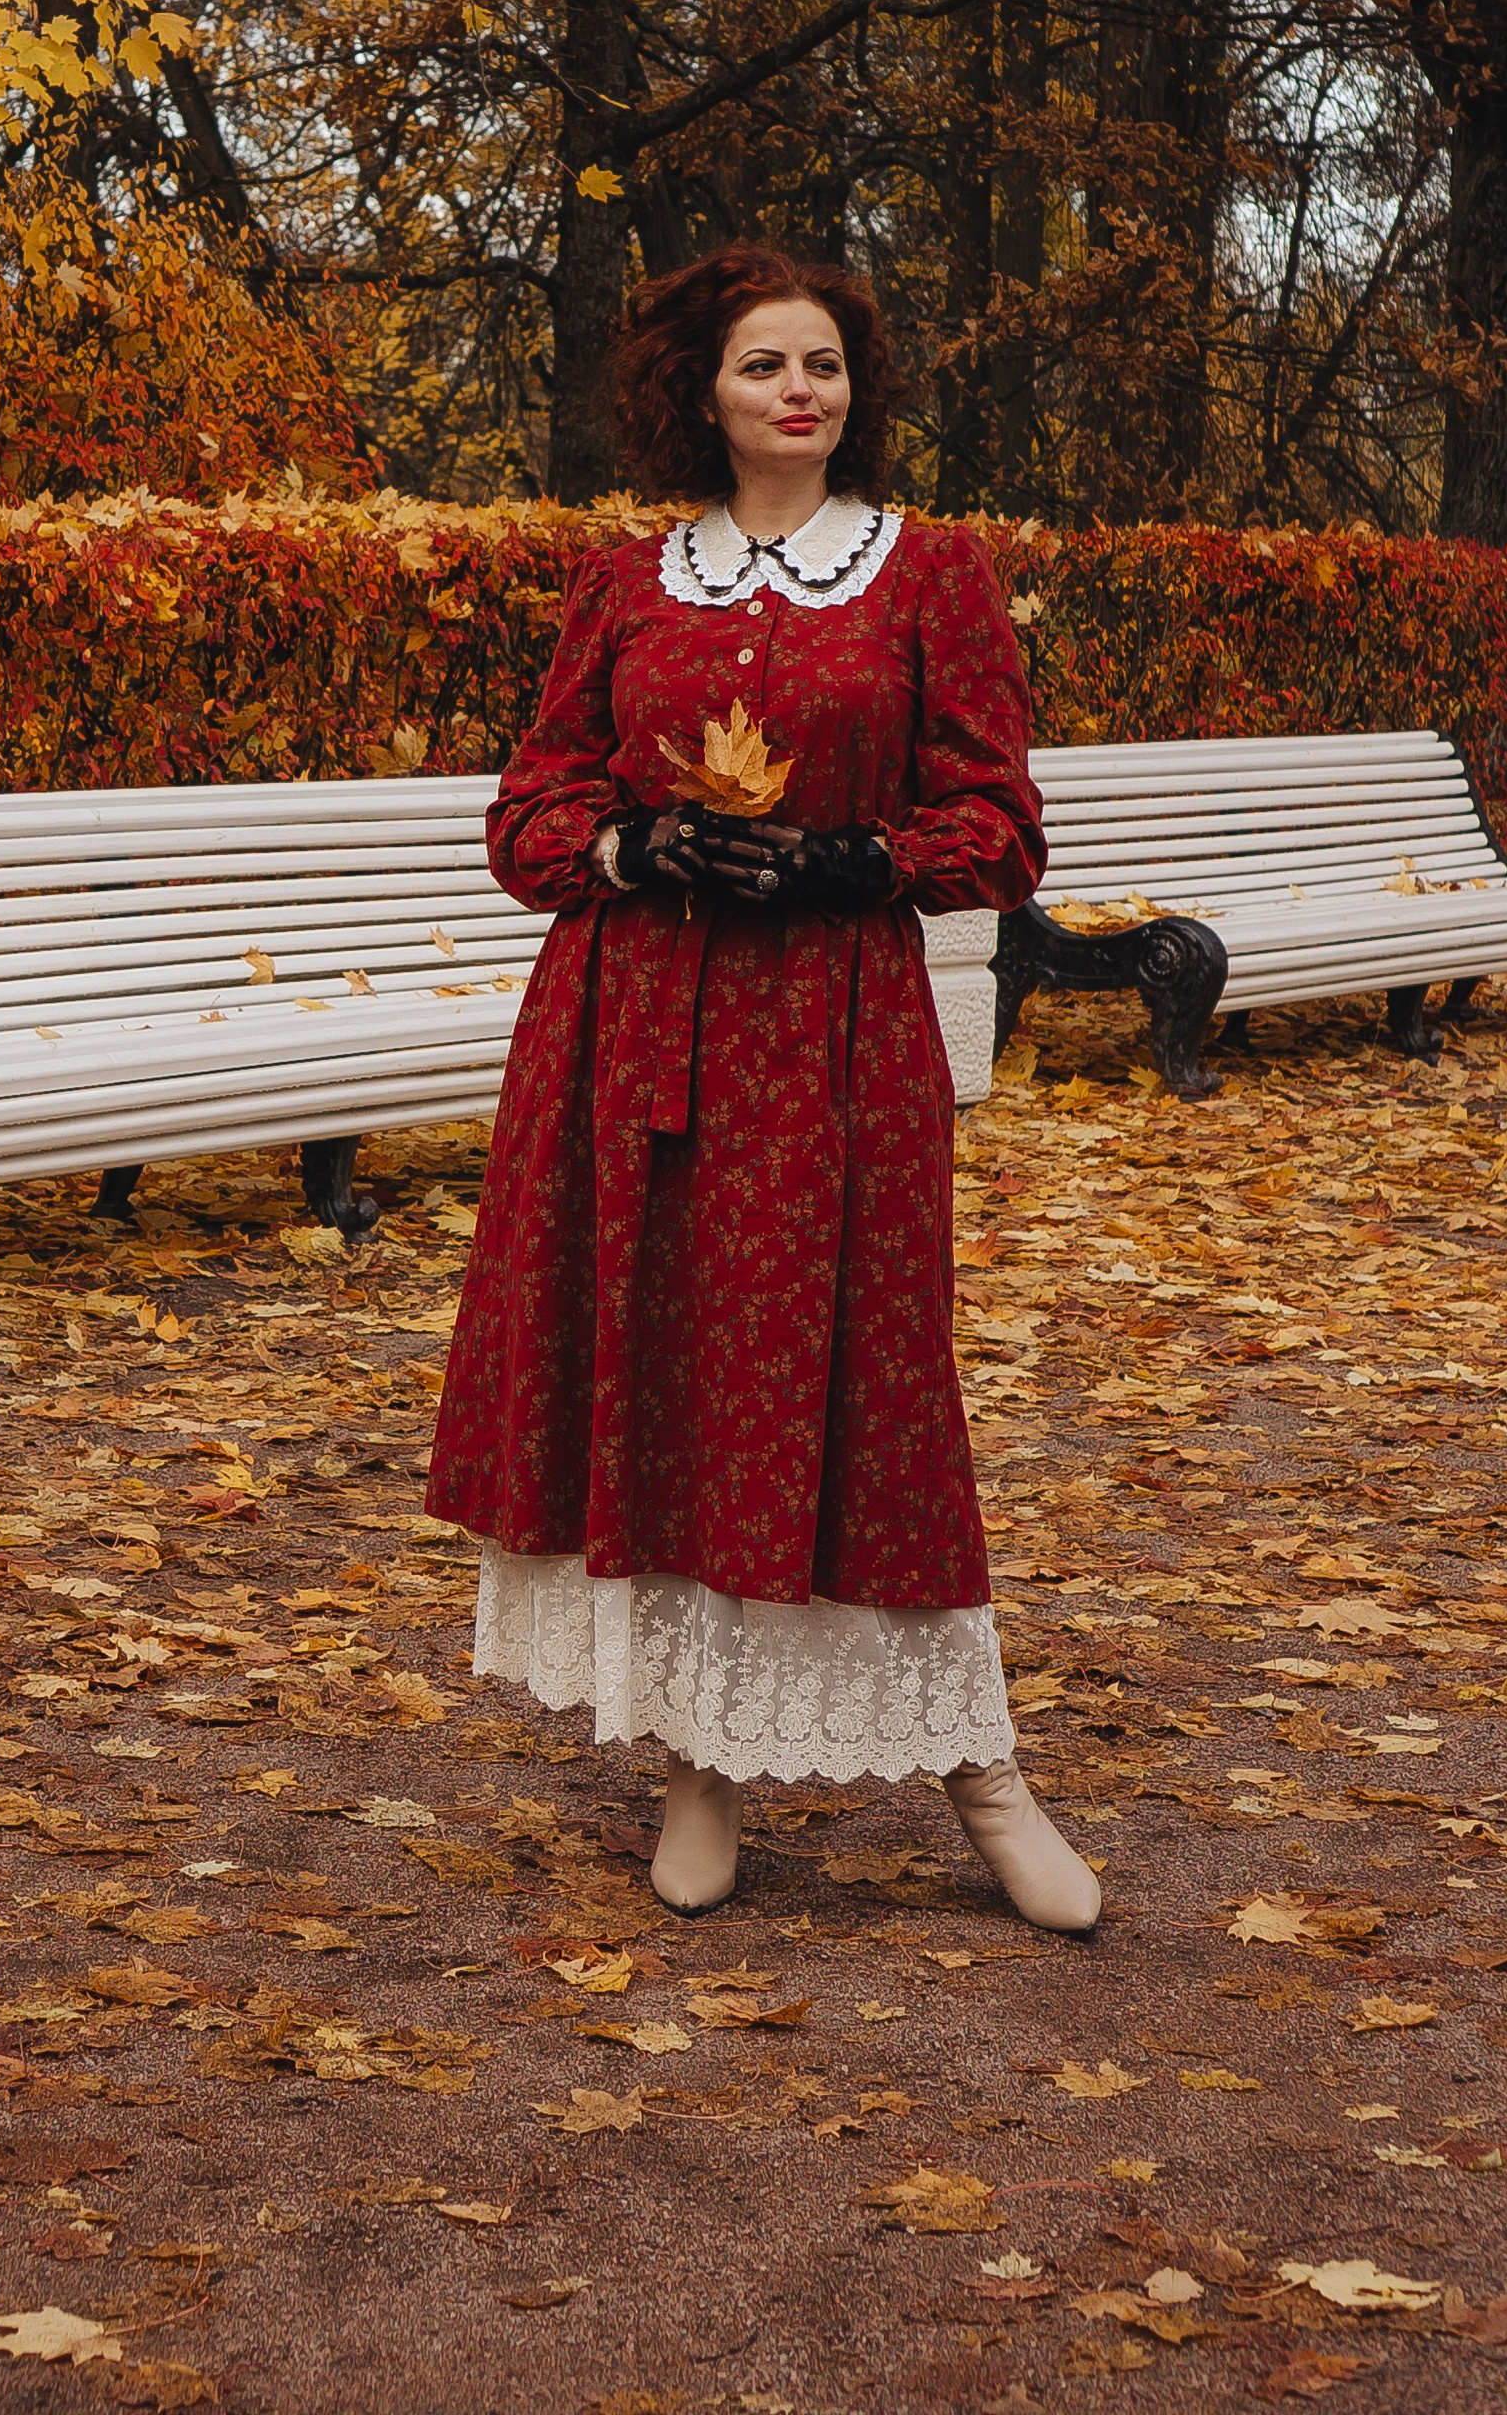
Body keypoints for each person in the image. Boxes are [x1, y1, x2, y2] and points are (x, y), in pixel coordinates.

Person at [424, 244, 1100, 1931]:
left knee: (869, 1388)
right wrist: (626, 839)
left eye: (822, 367)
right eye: (761, 368)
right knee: (667, 1376)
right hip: (634, 1021)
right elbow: (525, 818)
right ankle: (696, 1770)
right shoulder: (628, 583)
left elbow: (1004, 827)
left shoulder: (928, 577)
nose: (799, 392)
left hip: (835, 1033)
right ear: (702, 395)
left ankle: (987, 1777)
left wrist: (855, 862)